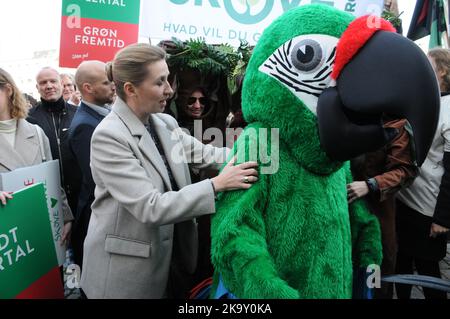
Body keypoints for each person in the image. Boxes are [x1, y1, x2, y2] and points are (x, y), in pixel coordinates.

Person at [80, 43, 259, 299]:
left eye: (169, 80)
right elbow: (150, 206)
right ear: (131, 89)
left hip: (171, 263)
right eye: (160, 82)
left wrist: (264, 158)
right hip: (126, 275)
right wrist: (217, 185)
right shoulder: (109, 136)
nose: (170, 90)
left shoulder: (164, 122)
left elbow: (210, 155)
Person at [395, 48, 450, 299]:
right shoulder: (426, 100)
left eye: (427, 64)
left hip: (427, 211)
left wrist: (442, 218)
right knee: (401, 266)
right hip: (403, 200)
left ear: (443, 70)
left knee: (428, 272)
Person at [0, 67, 73, 242]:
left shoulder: (36, 133)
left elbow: (52, 180)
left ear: (8, 90)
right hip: (7, 238)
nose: (49, 86)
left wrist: (65, 216)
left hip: (41, 228)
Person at [348, 117, 418, 299]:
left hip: (377, 216)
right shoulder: (344, 114)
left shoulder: (396, 124)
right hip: (345, 217)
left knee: (376, 281)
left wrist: (370, 185)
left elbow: (404, 171)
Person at [68, 61, 116, 270]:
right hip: (96, 217)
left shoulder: (99, 115)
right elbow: (99, 178)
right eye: (106, 83)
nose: (113, 86)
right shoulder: (86, 125)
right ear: (88, 88)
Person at [28, 67, 81, 217]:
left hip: (81, 197)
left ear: (61, 84)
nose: (49, 86)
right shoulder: (28, 119)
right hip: (48, 197)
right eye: (43, 82)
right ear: (37, 88)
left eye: (53, 81)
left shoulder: (78, 114)